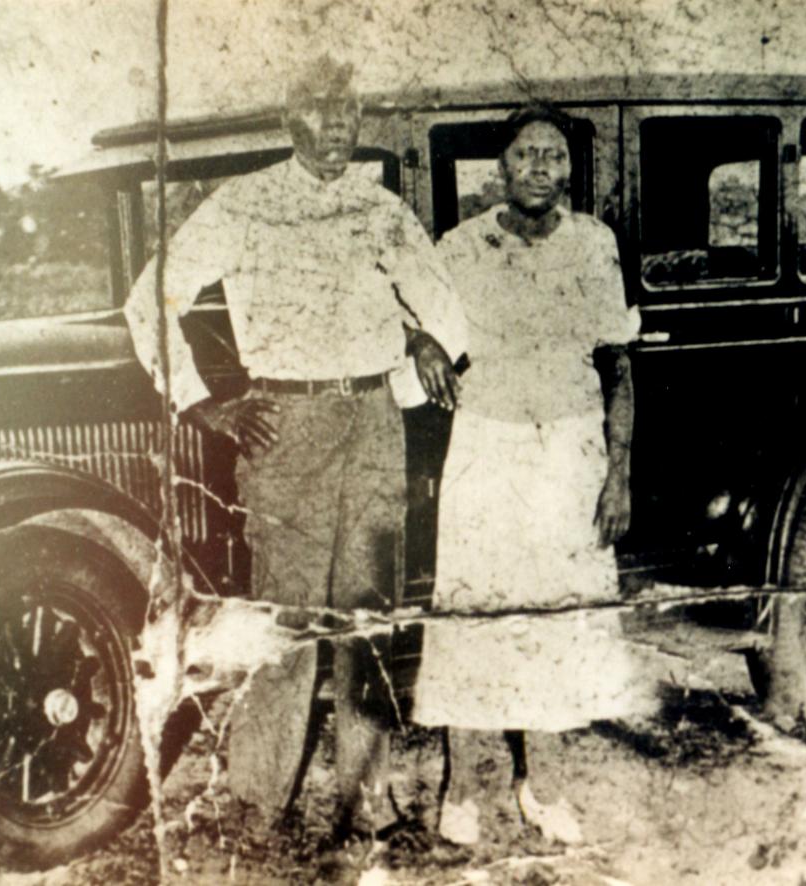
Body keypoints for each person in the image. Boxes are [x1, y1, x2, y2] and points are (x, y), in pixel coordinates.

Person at [124, 54, 467, 841]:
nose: (339, 123)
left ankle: (366, 804)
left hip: (376, 422)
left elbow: (447, 308)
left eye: (349, 108)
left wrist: (419, 345)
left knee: (369, 621)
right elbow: (148, 302)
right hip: (285, 430)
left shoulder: (382, 209)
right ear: (290, 122)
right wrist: (204, 406)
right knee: (285, 626)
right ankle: (257, 804)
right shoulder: (243, 205)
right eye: (320, 108)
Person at [410, 104, 652, 846]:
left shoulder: (594, 244)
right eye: (525, 154)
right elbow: (406, 306)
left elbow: (618, 363)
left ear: (569, 168)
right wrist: (420, 339)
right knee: (474, 617)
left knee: (560, 621)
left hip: (571, 454)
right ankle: (464, 786)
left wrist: (619, 474)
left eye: (553, 155)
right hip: (487, 449)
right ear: (502, 167)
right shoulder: (460, 246)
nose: (540, 168)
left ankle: (543, 786)